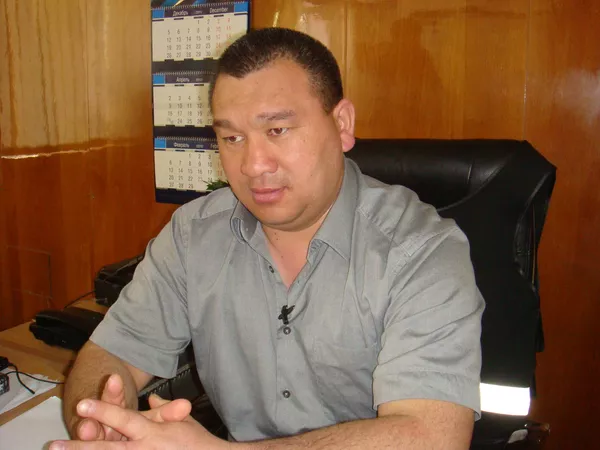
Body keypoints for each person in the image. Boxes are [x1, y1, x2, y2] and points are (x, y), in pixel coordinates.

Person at [51, 27, 484, 450]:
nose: (253, 165)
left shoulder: (420, 250)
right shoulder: (193, 235)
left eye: (277, 130)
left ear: (342, 124)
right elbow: (111, 353)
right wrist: (97, 416)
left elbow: (433, 435)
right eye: (232, 138)